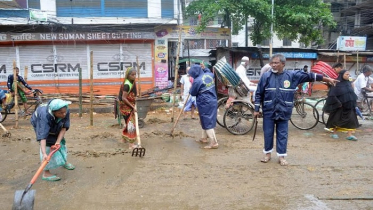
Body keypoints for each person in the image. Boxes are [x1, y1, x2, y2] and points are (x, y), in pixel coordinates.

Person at [254, 54, 338, 166]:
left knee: (282, 134)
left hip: (284, 110)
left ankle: (281, 156)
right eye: (272, 63)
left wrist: (327, 79)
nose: (273, 65)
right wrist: (256, 109)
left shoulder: (292, 75)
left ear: (283, 64)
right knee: (268, 133)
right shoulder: (266, 76)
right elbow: (259, 93)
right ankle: (267, 154)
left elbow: (310, 76)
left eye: (276, 63)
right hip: (269, 110)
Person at [30, 99, 74, 181]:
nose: (64, 114)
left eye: (64, 112)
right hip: (39, 122)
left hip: (55, 121)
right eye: (60, 113)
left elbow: (64, 128)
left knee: (61, 142)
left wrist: (57, 142)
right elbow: (43, 136)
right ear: (54, 112)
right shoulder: (44, 116)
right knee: (48, 145)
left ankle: (64, 161)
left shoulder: (65, 110)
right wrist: (44, 153)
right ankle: (46, 173)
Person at [323, 70, 359, 141]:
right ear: (342, 75)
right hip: (340, 106)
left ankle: (349, 135)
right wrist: (338, 103)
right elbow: (332, 94)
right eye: (347, 74)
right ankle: (334, 133)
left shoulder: (349, 83)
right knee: (337, 119)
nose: (348, 76)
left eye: (349, 74)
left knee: (351, 119)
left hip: (349, 105)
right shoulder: (336, 83)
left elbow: (351, 91)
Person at [189, 64, 219, 149]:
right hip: (212, 100)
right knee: (204, 120)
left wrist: (191, 88)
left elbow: (192, 93)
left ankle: (214, 142)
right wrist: (204, 67)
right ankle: (204, 138)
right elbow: (207, 70)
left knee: (207, 121)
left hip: (205, 102)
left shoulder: (197, 81)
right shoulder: (209, 75)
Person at [119, 67, 138, 149]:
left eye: (135, 74)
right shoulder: (127, 84)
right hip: (126, 107)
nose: (134, 76)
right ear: (128, 75)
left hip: (128, 105)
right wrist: (132, 106)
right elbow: (124, 98)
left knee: (128, 122)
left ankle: (123, 139)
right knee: (131, 125)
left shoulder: (131, 82)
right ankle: (131, 145)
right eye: (132, 75)